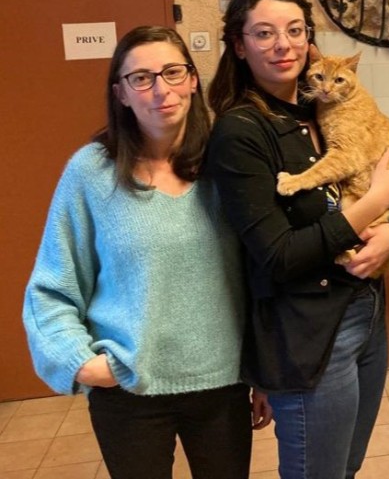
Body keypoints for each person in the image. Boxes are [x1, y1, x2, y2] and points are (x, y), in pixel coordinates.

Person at [22, 26, 268, 479]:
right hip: (129, 390)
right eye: (141, 78)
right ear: (120, 93)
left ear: (193, 80)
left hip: (222, 386)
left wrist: (265, 372)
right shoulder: (91, 172)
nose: (161, 89)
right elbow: (51, 288)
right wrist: (81, 362)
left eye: (173, 72)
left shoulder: (229, 162)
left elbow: (262, 274)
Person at [205, 0, 389, 479]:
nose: (283, 44)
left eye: (295, 30)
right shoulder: (241, 131)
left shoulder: (321, 106)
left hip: (366, 311)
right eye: (264, 33)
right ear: (239, 45)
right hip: (308, 332)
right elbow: (279, 256)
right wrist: (375, 206)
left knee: (345, 468)